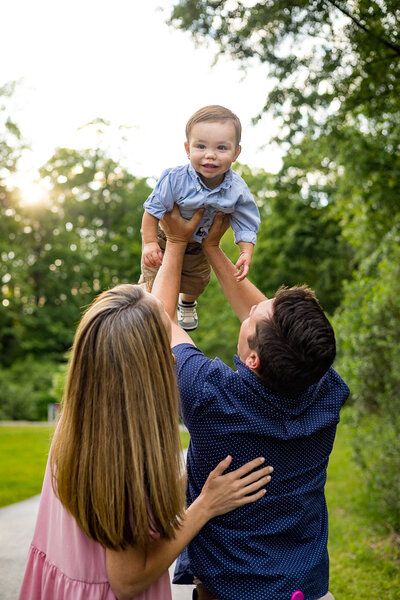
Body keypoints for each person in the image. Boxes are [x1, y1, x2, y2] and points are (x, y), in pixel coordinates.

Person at [19, 283, 273, 600]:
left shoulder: (81, 420)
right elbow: (127, 581)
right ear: (148, 366)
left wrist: (194, 477)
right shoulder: (122, 460)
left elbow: (139, 514)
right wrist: (206, 505)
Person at [151, 207, 350, 600]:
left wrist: (176, 242)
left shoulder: (211, 395)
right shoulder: (325, 387)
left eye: (257, 314)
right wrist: (212, 247)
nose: (254, 305)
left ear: (254, 359)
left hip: (228, 592)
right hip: (306, 588)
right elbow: (277, 336)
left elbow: (158, 319)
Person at [140, 104, 260, 331]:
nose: (210, 155)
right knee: (154, 281)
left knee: (198, 281)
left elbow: (246, 222)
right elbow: (152, 210)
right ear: (187, 148)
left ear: (236, 152)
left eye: (222, 148)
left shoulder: (237, 189)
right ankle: (146, 303)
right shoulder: (174, 179)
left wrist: (246, 251)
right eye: (201, 146)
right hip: (165, 241)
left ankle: (187, 303)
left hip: (199, 244)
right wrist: (149, 243)